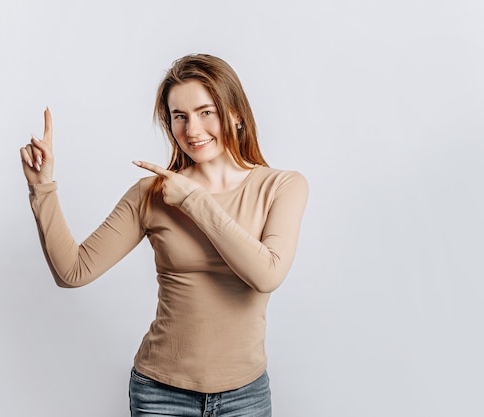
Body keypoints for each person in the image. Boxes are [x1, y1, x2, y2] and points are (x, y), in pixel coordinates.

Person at [19, 54, 308, 417]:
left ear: (235, 113)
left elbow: (267, 274)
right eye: (179, 116)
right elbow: (73, 271)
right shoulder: (151, 193)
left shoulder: (282, 186)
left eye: (207, 112)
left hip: (244, 397)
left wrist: (194, 201)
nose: (193, 130)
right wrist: (42, 189)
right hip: (160, 395)